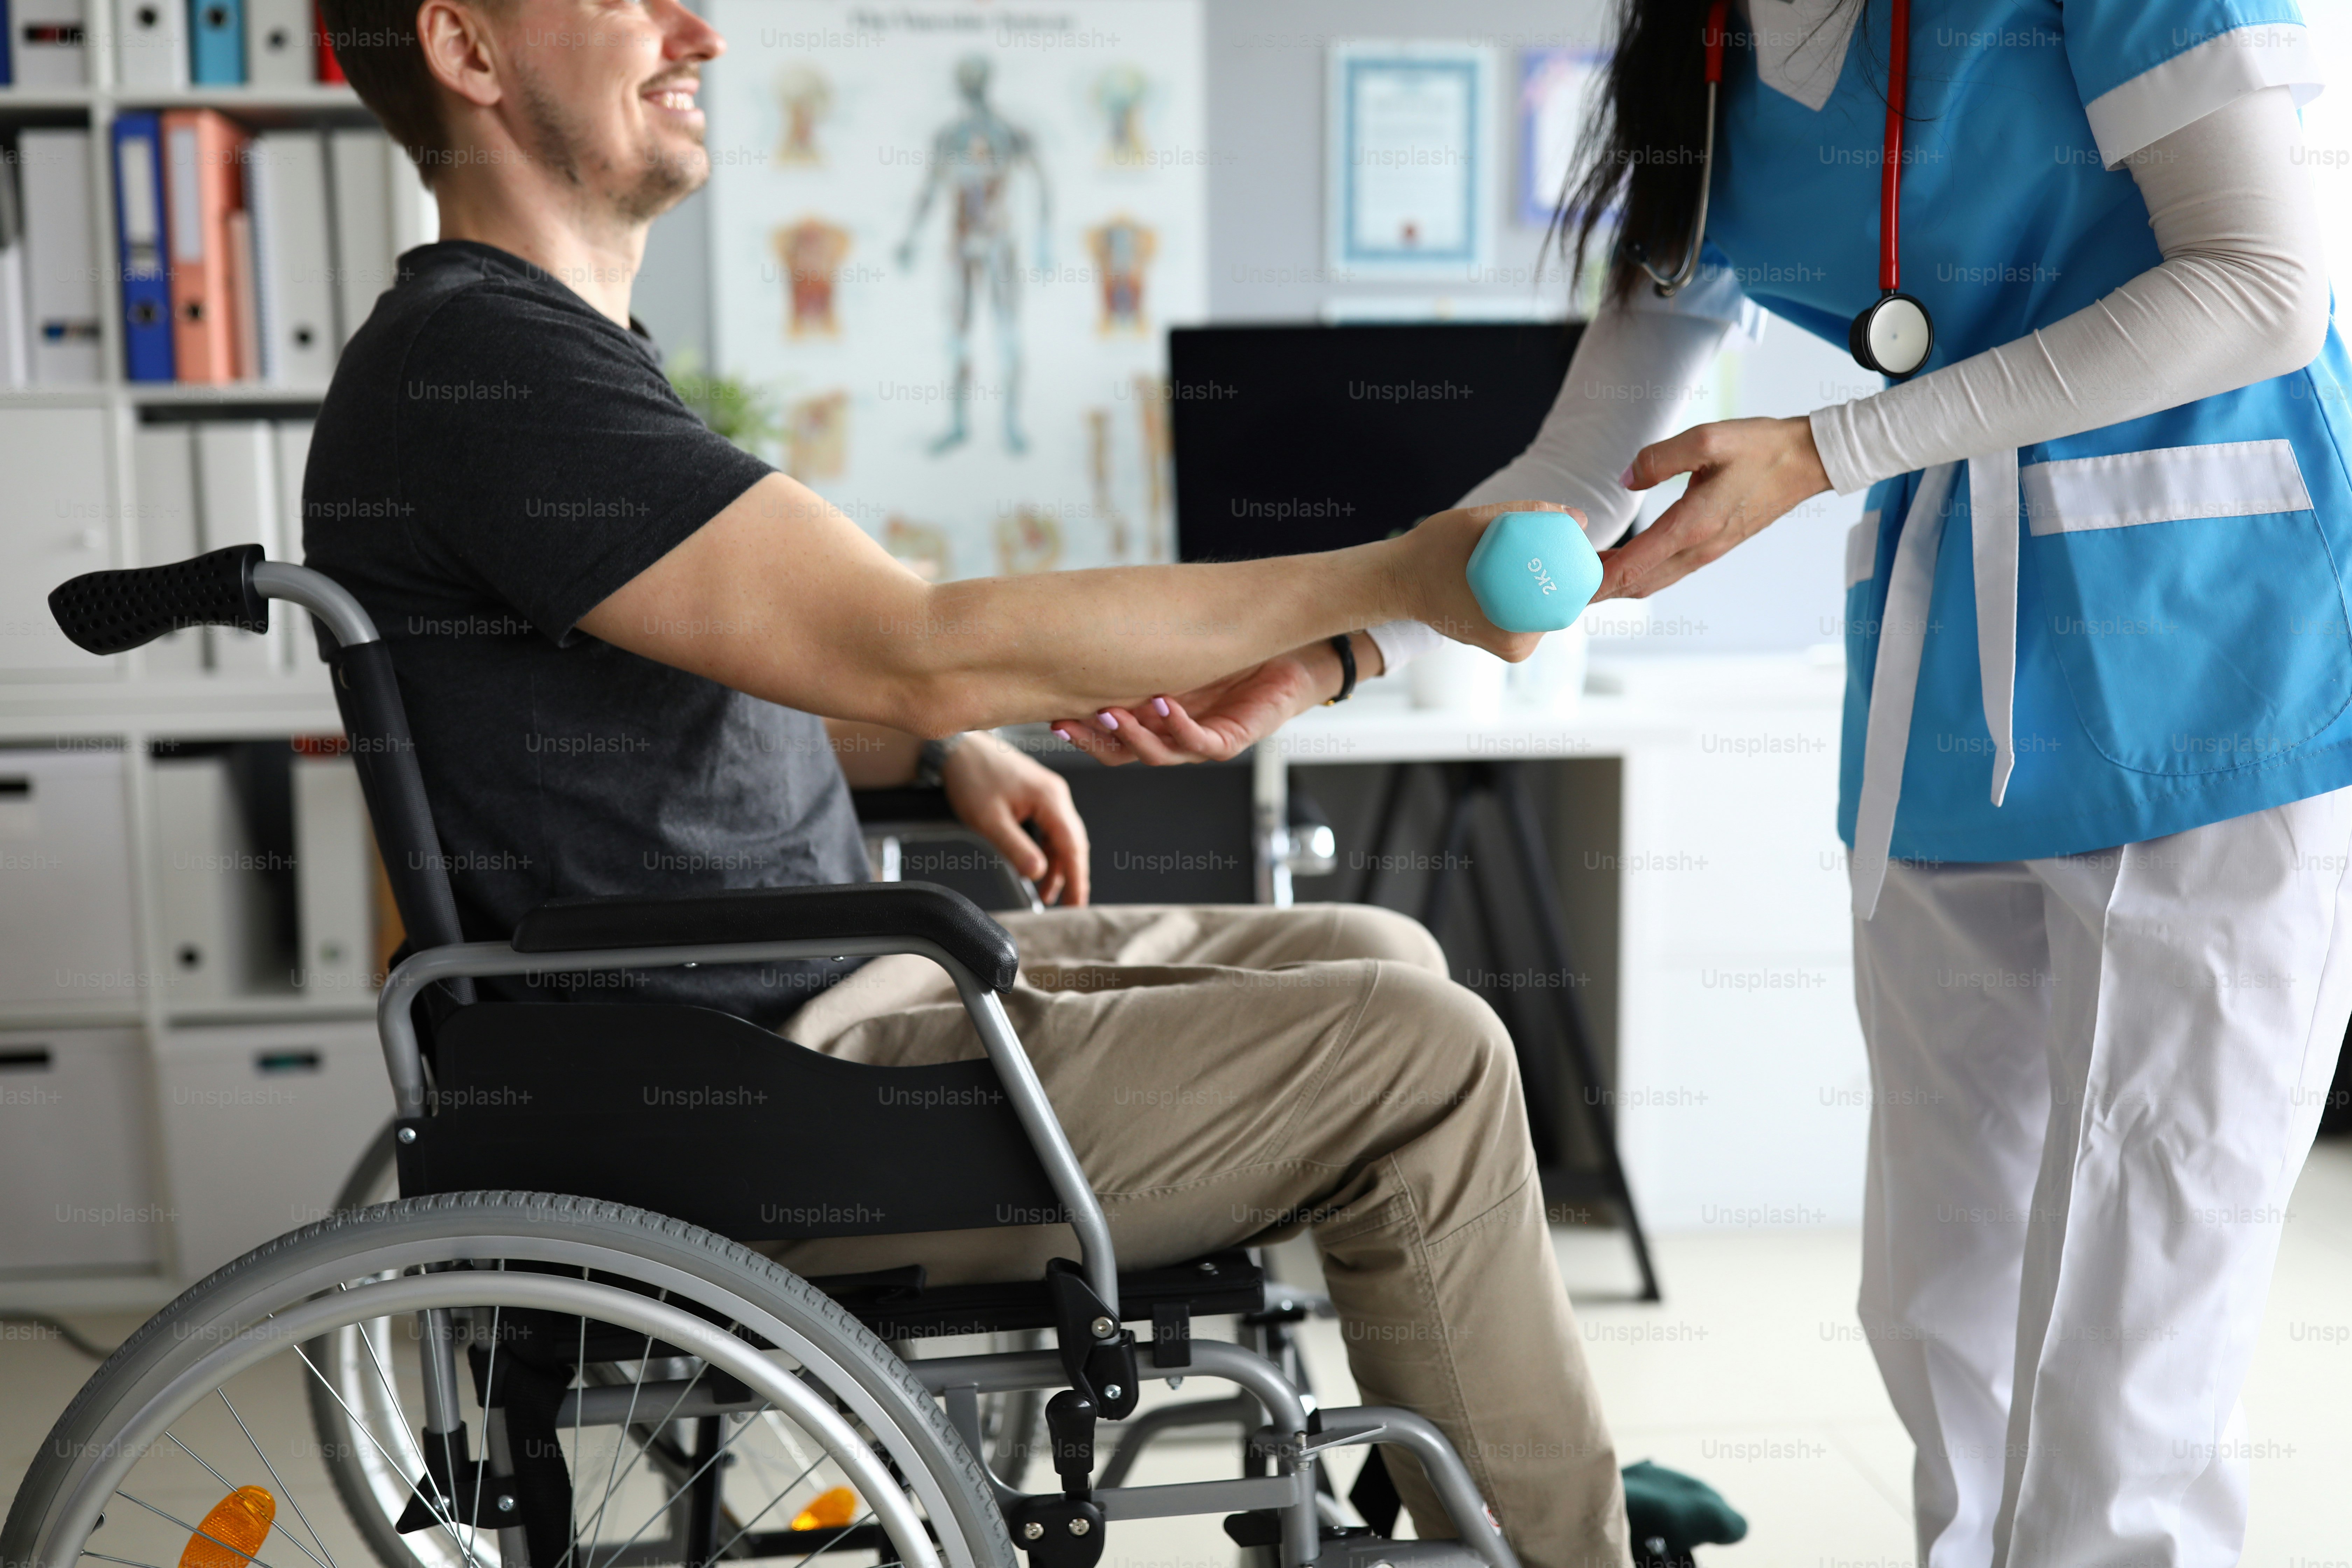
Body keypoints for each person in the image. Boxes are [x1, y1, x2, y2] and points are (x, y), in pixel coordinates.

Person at [305, 0, 1642, 1562]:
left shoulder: (541, 357)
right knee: (1429, 1052)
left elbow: (753, 686)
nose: (700, 31)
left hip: (803, 998)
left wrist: (948, 747)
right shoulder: (488, 368)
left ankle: (1466, 1486)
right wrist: (1394, 574)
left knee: (1377, 953)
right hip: (760, 1081)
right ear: (466, 51)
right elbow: (917, 640)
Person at [1087, 1, 2352, 1564]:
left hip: (2224, 679)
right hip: (1950, 706)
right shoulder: (1707, 51)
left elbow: (2263, 285)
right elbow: (1574, 476)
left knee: (2128, 1365)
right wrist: (1336, 654)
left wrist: (1829, 449)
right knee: (1937, 1313)